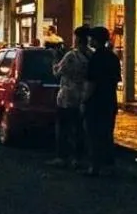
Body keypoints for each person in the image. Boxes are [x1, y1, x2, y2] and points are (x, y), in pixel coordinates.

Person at [48, 25, 91, 168]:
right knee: (79, 129)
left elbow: (57, 72)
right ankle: (78, 158)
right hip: (84, 96)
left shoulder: (71, 56)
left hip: (67, 97)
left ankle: (62, 157)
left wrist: (55, 59)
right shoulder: (91, 55)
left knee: (63, 129)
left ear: (77, 39)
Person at [83, 25, 122, 175]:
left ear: (95, 40)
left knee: (93, 135)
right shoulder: (113, 58)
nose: (89, 41)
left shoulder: (95, 58)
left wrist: (84, 100)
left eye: (91, 38)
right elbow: (116, 80)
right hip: (110, 101)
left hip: (95, 102)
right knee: (107, 134)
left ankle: (95, 166)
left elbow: (91, 83)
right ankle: (108, 165)